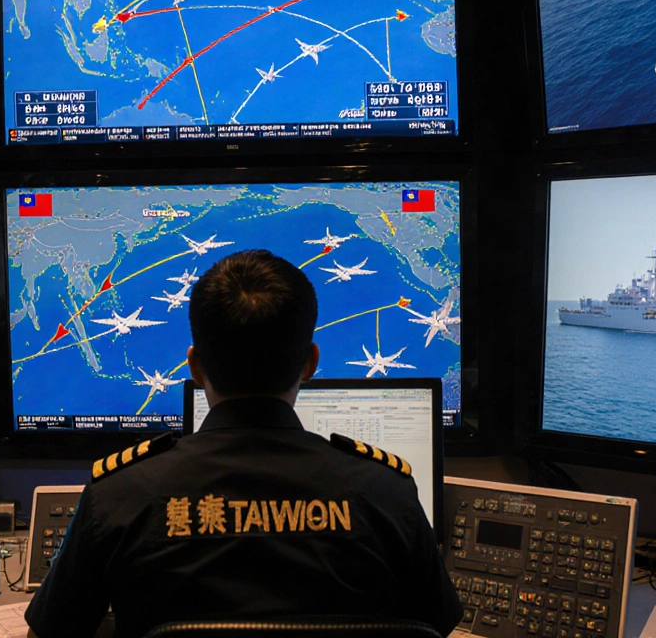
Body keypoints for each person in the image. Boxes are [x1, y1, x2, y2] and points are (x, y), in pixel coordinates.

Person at [24, 249, 462, 638]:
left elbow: (51, 633)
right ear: (310, 363)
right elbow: (435, 626)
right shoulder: (388, 493)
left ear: (194, 366)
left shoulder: (119, 497)